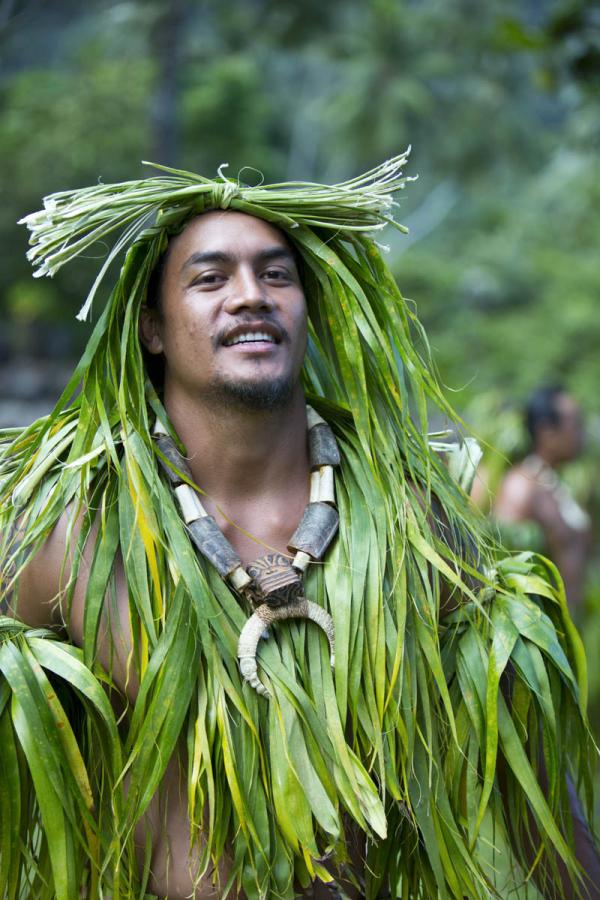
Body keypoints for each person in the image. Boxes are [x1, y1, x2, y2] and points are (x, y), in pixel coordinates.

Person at [0, 157, 598, 899]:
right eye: (210, 278)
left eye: (277, 276)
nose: (251, 296)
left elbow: (535, 783)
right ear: (152, 328)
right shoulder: (66, 534)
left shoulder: (415, 523)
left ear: (307, 309)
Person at [495, 385, 592, 611]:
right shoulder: (521, 487)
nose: (581, 433)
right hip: (540, 629)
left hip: (569, 633)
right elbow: (504, 566)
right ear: (547, 432)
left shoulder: (555, 483)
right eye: (575, 424)